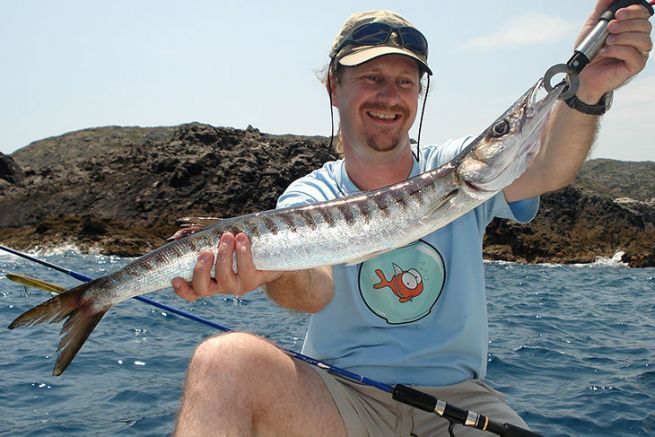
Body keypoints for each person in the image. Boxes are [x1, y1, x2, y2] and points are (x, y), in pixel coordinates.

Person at [171, 2, 652, 436]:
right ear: (333, 86)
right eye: (371, 77)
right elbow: (314, 291)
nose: (389, 95)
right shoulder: (311, 195)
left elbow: (548, 168)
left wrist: (585, 91)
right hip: (339, 399)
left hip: (459, 401)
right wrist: (272, 271)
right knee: (223, 359)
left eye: (405, 81)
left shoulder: (456, 168)